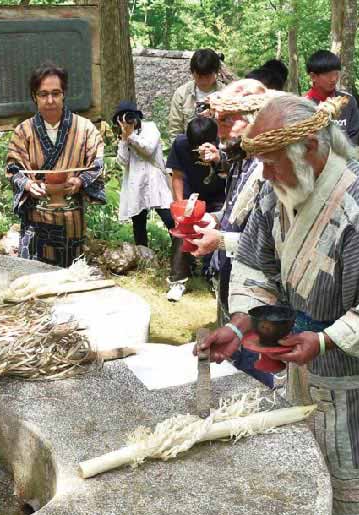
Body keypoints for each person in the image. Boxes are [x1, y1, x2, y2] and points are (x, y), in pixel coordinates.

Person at [200, 94, 359, 514]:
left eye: (272, 161)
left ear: (312, 147)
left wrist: (324, 340)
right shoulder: (277, 188)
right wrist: (241, 327)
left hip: (358, 374)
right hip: (300, 362)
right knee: (305, 485)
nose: (264, 173)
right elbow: (255, 265)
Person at [189, 79, 276, 387]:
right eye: (218, 120)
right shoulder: (241, 160)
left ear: (253, 120)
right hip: (233, 277)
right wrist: (212, 221)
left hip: (263, 290)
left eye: (226, 120)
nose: (220, 130)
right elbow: (235, 215)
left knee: (258, 373)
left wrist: (221, 239)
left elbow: (276, 246)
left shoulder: (272, 167)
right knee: (234, 364)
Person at [6, 63, 105, 267]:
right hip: (36, 218)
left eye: (55, 93)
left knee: (68, 281)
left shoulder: (84, 129)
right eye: (43, 94)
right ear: (34, 96)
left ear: (64, 94)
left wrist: (80, 180)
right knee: (32, 280)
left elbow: (97, 163)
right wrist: (27, 185)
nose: (50, 100)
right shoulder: (23, 131)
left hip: (71, 218)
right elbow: (13, 167)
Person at [163, 116, 228, 300]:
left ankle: (215, 276)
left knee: (218, 230)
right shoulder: (181, 144)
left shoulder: (223, 144)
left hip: (218, 195)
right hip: (191, 190)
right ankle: (178, 280)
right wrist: (178, 205)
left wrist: (217, 159)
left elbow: (229, 174)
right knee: (183, 228)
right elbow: (177, 175)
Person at [113, 100, 176, 275]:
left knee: (170, 219)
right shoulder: (124, 135)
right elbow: (123, 162)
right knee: (138, 223)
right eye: (124, 118)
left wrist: (131, 135)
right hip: (136, 183)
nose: (128, 121)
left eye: (130, 117)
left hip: (155, 180)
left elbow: (148, 149)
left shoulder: (151, 128)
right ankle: (144, 261)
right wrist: (125, 139)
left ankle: (180, 259)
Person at [167, 48, 225, 141]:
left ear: (216, 72)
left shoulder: (226, 93)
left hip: (219, 149)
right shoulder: (182, 94)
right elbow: (175, 128)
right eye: (199, 76)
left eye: (208, 76)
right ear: (192, 72)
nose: (204, 81)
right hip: (189, 147)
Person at [305, 50, 359, 143]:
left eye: (336, 73)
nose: (333, 79)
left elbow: (353, 136)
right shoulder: (303, 105)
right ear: (313, 76)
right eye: (327, 75)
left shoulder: (348, 101)